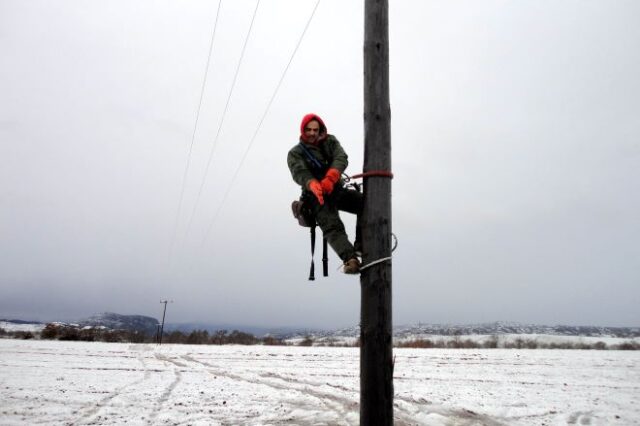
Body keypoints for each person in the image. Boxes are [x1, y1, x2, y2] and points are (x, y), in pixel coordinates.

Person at [287, 113, 362, 274]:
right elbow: (299, 172)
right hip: (316, 197)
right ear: (303, 130)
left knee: (365, 203)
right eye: (308, 130)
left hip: (335, 189)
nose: (312, 133)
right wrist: (312, 184)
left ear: (320, 129)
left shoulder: (330, 141)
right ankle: (351, 259)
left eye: (315, 129)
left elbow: (341, 157)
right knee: (332, 226)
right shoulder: (296, 153)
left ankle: (362, 246)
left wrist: (331, 177)